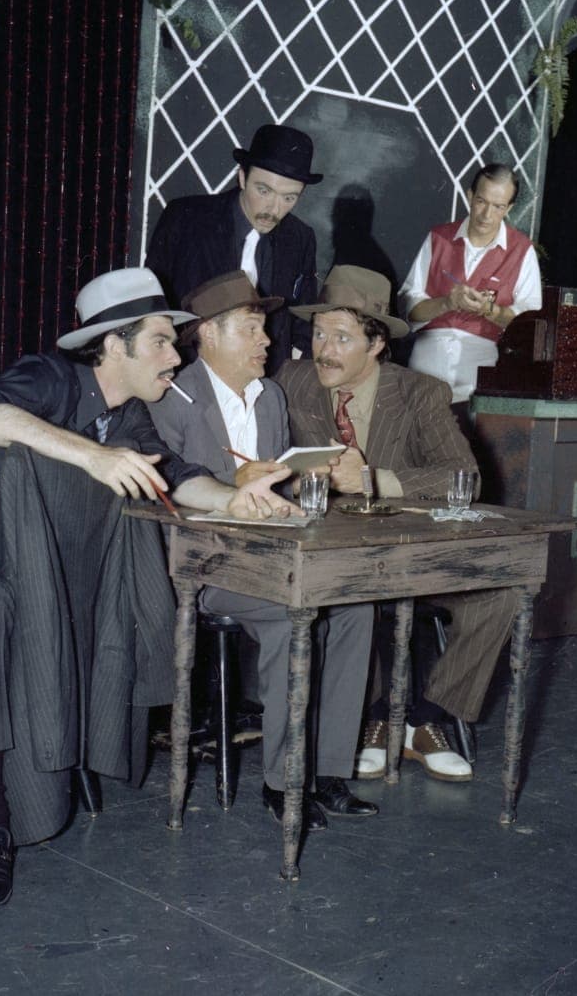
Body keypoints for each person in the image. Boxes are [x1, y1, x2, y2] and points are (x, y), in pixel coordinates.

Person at [0, 267, 297, 909]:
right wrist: (91, 456)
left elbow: (175, 478)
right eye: (159, 340)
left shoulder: (132, 419)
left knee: (31, 602)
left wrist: (239, 499)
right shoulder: (48, 377)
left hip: (18, 560)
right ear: (112, 344)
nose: (174, 355)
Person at [275, 265, 520, 784]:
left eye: (342, 338)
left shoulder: (419, 394)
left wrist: (373, 479)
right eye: (319, 333)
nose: (324, 350)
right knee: (357, 599)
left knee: (500, 594)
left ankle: (419, 717)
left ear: (378, 342)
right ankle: (383, 719)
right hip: (334, 556)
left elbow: (464, 477)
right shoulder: (290, 381)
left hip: (409, 553)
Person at [151, 270, 378, 829]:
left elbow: (275, 488)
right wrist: (237, 483)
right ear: (207, 334)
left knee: (354, 603)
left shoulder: (270, 395)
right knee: (289, 613)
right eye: (252, 329)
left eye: (263, 329)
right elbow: (164, 499)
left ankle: (326, 771)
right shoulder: (171, 397)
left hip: (270, 554)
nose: (267, 341)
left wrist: (308, 476)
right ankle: (284, 779)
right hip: (200, 564)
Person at [145, 123, 323, 376]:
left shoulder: (300, 237)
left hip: (262, 383)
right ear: (242, 177)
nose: (273, 209)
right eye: (264, 190)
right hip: (187, 377)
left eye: (289, 198)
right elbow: (153, 307)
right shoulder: (185, 218)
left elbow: (301, 322)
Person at [400, 163, 543, 401]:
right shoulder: (438, 237)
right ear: (469, 196)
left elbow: (529, 325)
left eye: (498, 207)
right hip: (426, 363)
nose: (487, 215)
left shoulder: (521, 250)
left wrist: (489, 310)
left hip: (479, 367)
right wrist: (447, 302)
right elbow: (410, 311)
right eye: (481, 201)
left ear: (509, 208)